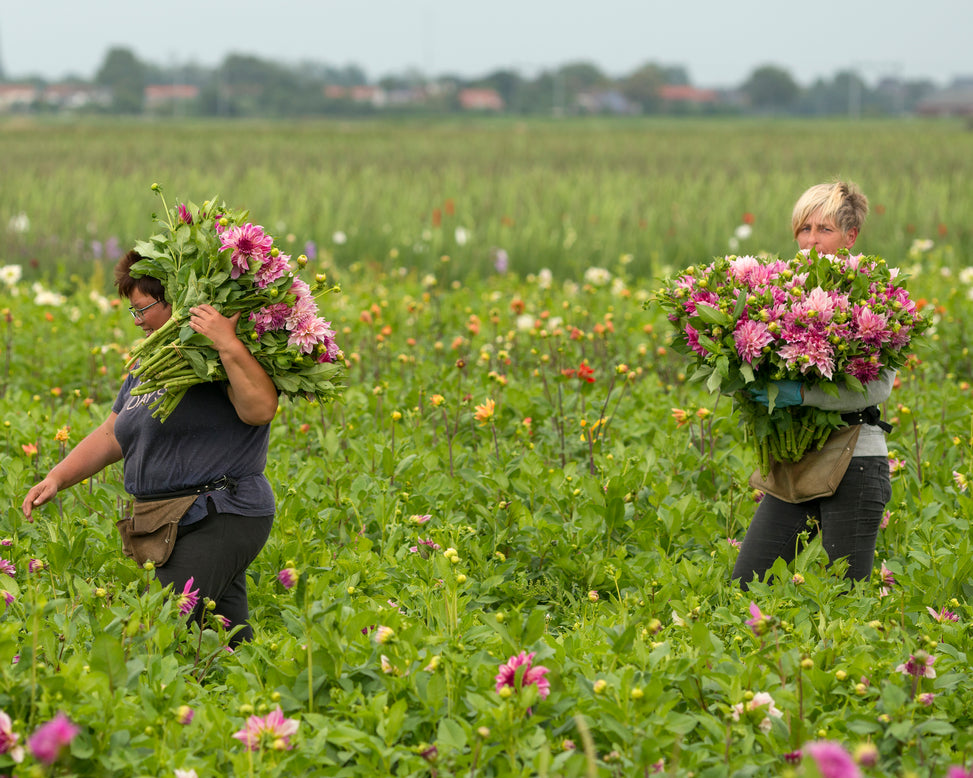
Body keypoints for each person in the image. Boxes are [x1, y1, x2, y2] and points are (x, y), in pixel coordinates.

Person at [22, 250, 279, 645]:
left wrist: (226, 342)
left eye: (143, 309)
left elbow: (260, 408)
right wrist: (58, 477)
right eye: (133, 312)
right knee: (221, 647)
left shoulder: (217, 357)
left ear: (180, 299)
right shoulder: (153, 365)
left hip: (219, 512)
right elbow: (113, 433)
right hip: (171, 522)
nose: (138, 321)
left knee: (158, 633)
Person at [731, 181, 894, 590]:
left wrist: (801, 394)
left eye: (824, 229)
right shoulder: (780, 291)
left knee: (846, 595)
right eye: (804, 229)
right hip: (796, 460)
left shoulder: (874, 295)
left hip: (856, 457)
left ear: (850, 236)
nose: (811, 241)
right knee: (746, 583)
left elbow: (876, 389)